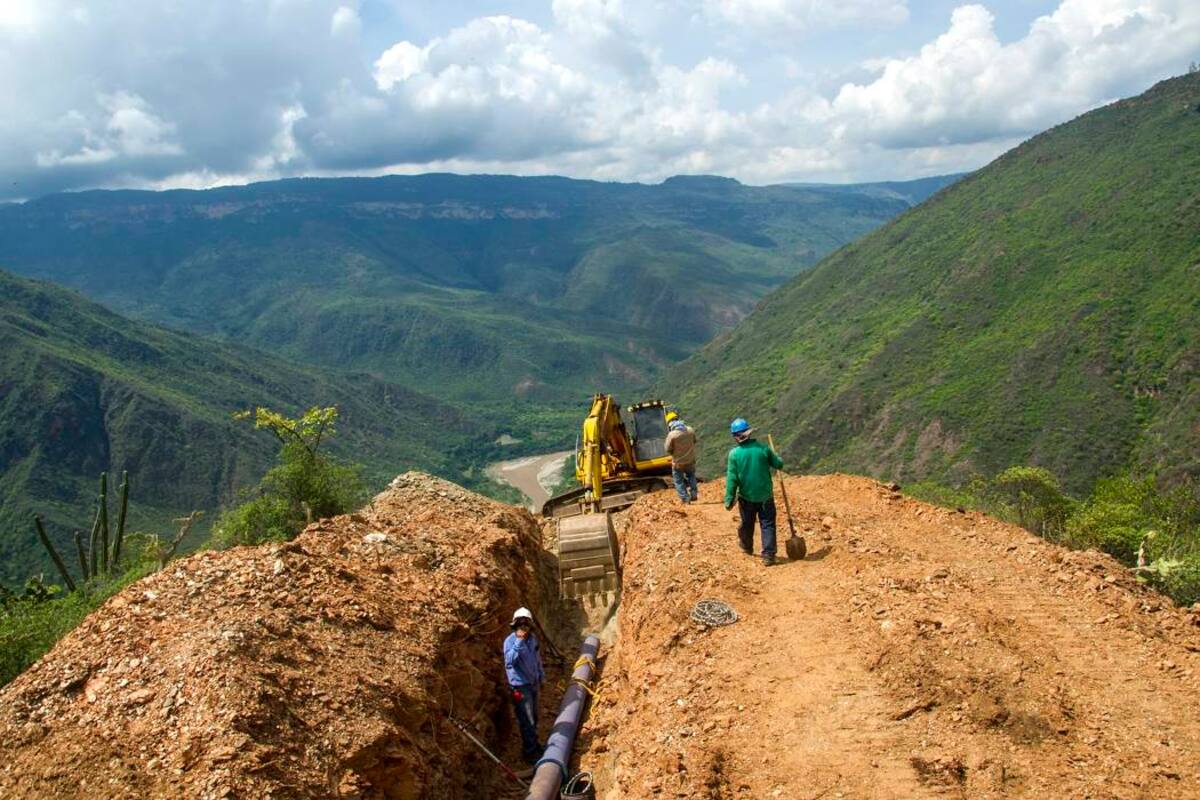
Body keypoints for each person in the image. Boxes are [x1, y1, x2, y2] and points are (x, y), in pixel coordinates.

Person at [723, 418, 783, 566]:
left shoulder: (734, 455)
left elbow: (732, 479)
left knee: (747, 523)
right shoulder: (763, 449)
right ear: (749, 433)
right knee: (767, 524)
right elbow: (779, 464)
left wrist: (729, 499)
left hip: (746, 497)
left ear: (735, 436)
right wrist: (775, 455)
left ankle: (747, 546)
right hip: (765, 497)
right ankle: (769, 555)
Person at [503, 607, 545, 762]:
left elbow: (537, 660)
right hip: (520, 687)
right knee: (527, 719)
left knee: (533, 716)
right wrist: (519, 642)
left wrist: (541, 676)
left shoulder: (532, 639)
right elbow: (509, 661)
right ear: (515, 625)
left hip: (533, 684)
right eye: (520, 624)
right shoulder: (510, 642)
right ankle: (529, 752)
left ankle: (534, 745)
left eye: (526, 623)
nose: (523, 627)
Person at [664, 411, 699, 504]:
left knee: (678, 481)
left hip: (678, 463)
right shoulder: (690, 430)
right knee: (691, 475)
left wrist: (674, 453)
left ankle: (685, 498)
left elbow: (667, 449)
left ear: (669, 423)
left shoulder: (672, 435)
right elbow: (694, 441)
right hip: (690, 460)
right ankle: (694, 493)